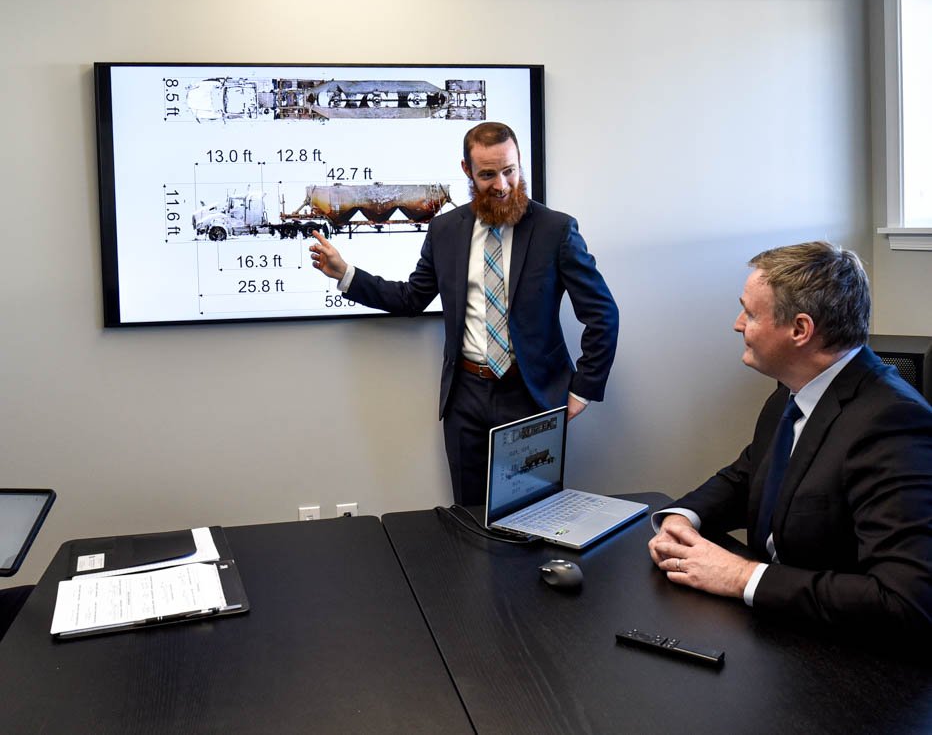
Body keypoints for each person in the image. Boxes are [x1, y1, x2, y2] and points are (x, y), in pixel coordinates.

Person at [309, 122, 619, 505]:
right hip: (465, 398)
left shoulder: (555, 229)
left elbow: (602, 314)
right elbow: (411, 298)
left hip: (533, 397)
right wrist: (347, 275)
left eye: (510, 170)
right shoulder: (444, 231)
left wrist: (582, 391)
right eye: (488, 174)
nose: (502, 185)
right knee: (469, 518)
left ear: (519, 163)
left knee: (532, 518)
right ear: (467, 171)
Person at [648, 241, 932, 630]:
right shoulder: (793, 391)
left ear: (800, 329)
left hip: (846, 658)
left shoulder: (893, 423)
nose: (737, 323)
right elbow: (747, 476)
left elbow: (905, 600)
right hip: (775, 624)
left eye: (750, 313)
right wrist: (683, 518)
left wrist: (739, 576)